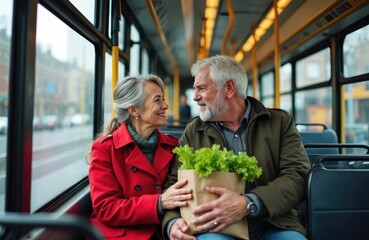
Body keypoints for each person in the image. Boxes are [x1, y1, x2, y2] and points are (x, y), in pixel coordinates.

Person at [161, 55, 310, 240]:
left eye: (202, 88)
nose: (195, 97)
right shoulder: (194, 130)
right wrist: (172, 222)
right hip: (215, 226)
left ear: (229, 88)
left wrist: (248, 203)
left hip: (274, 223)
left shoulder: (279, 122)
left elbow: (298, 175)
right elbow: (174, 184)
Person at [88, 75, 192, 239]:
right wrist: (159, 202)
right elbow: (106, 209)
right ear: (134, 110)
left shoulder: (173, 146)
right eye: (157, 100)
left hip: (162, 232)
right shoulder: (105, 149)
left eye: (163, 99)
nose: (165, 105)